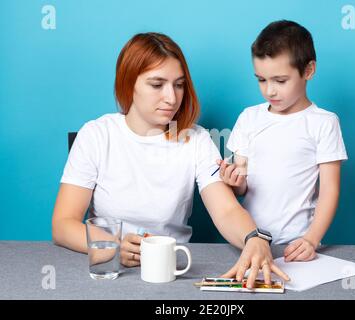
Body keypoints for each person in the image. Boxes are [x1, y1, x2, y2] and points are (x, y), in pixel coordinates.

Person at [52, 32, 289, 287]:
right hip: (112, 273)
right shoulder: (96, 135)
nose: (172, 98)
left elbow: (227, 209)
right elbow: (63, 223)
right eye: (157, 85)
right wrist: (113, 246)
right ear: (128, 83)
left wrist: (254, 238)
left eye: (178, 84)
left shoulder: (195, 138)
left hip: (173, 273)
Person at [218, 20, 348, 262]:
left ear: (308, 71)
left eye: (280, 80)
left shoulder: (323, 122)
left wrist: (311, 239)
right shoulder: (249, 118)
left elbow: (330, 189)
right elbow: (242, 187)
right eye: (261, 80)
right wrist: (234, 181)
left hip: (296, 243)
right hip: (249, 240)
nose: (270, 91)